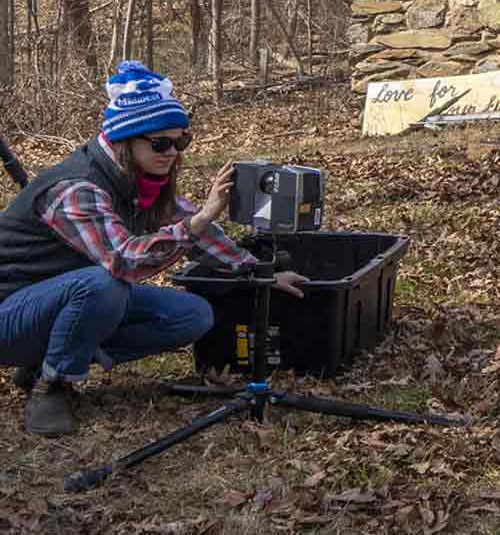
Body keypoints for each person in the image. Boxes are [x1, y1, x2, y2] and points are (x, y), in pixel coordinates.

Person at [0, 62, 306, 438]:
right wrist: (199, 220)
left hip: (59, 300)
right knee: (104, 284)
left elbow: (196, 227)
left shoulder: (141, 180)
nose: (172, 152)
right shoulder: (77, 189)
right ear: (124, 140)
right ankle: (54, 385)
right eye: (160, 143)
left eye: (180, 142)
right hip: (9, 310)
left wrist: (260, 272)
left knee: (192, 316)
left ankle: (49, 356)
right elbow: (125, 260)